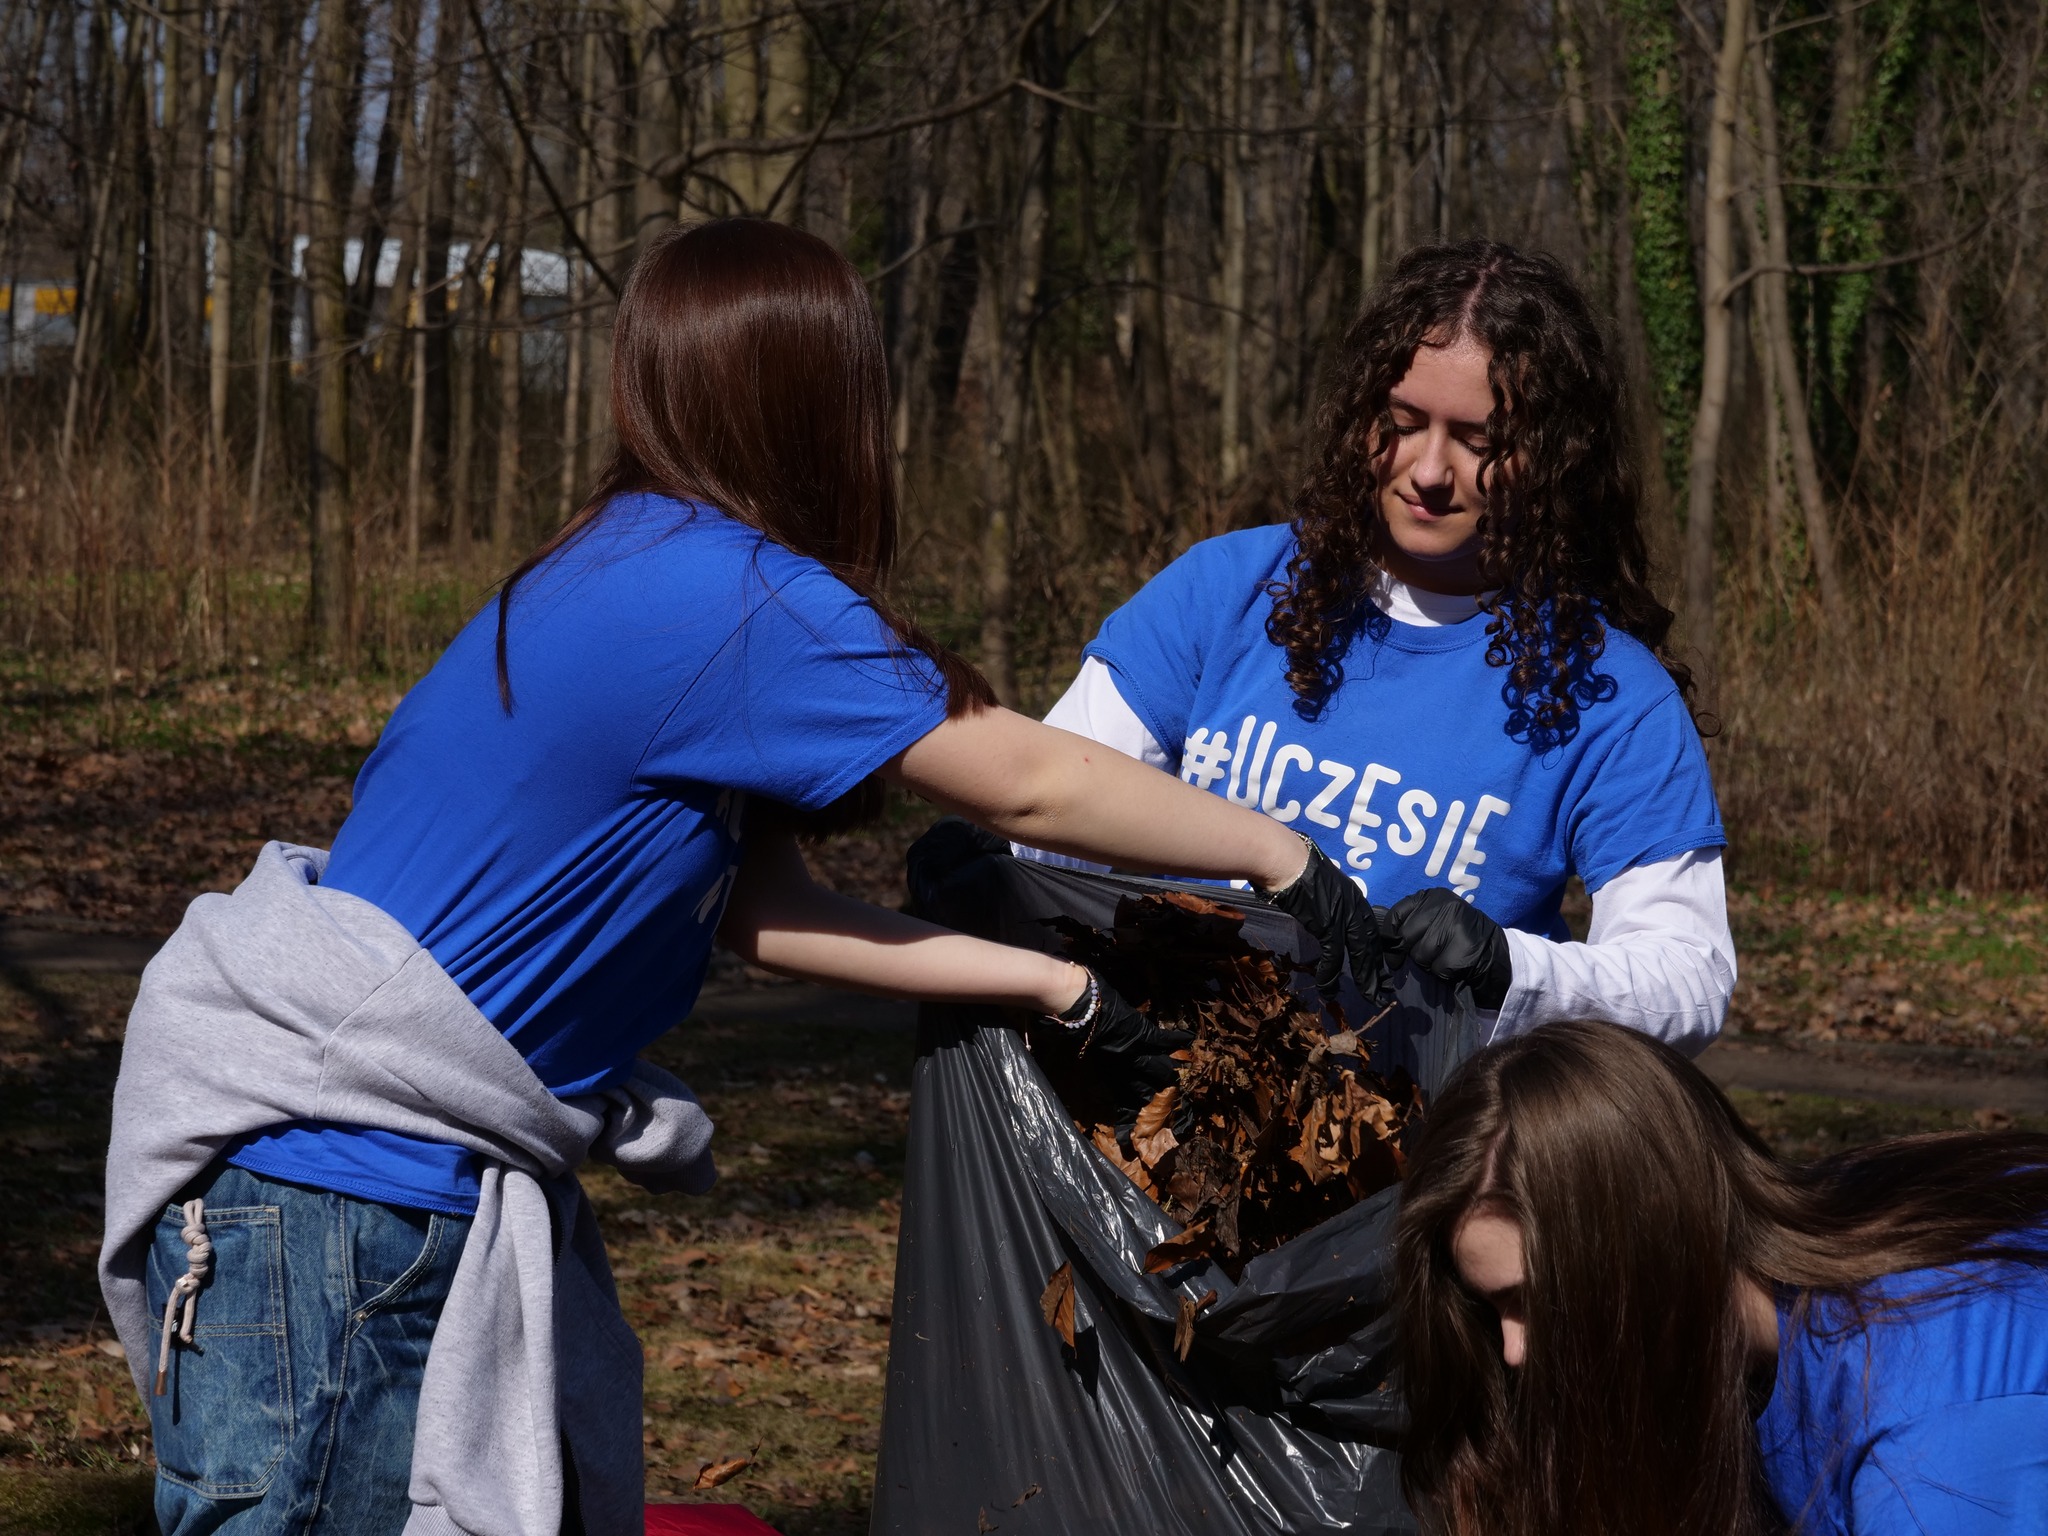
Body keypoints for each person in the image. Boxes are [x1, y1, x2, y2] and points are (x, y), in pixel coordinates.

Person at [99, 219, 1379, 1536]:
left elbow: (767, 916)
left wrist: (1053, 986)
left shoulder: (627, 563)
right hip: (348, 1201)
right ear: (818, 399)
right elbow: (1028, 782)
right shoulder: (727, 597)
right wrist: (1284, 855)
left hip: (327, 1188)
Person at [1019, 239, 1732, 1053]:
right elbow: (1053, 804)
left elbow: (1688, 979)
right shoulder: (1225, 591)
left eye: (1479, 442)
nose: (1429, 471)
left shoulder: (1608, 692)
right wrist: (988, 858)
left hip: (1423, 1117)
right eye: (1402, 424)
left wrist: (1511, 969)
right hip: (1160, 1071)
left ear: (1553, 456)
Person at [1395, 1019, 2048, 1536]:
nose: (1514, 1349)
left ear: (1654, 1237)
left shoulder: (1932, 1456)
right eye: (1491, 1308)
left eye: (1533, 1298)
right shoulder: (1811, 1253)